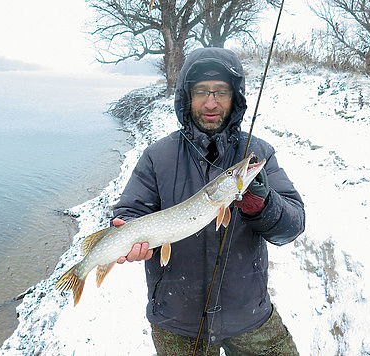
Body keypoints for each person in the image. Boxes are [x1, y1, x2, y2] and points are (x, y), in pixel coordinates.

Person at [112, 47, 305, 355]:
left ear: (236, 97)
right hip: (177, 319)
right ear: (187, 97)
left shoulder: (258, 153)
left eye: (221, 92)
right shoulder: (157, 156)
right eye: (202, 91)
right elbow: (131, 212)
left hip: (248, 314)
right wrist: (128, 232)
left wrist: (264, 205)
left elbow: (291, 227)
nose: (211, 102)